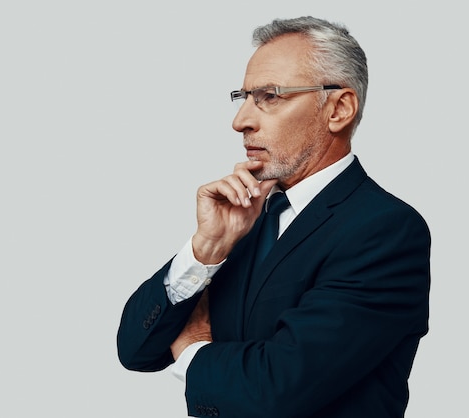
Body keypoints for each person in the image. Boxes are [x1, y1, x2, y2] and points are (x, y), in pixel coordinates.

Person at [117, 16, 431, 418]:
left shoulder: (385, 231)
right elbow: (135, 350)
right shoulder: (244, 221)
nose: (240, 121)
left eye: (269, 96)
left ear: (338, 108)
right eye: (243, 97)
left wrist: (194, 347)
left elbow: (276, 388)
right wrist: (205, 250)